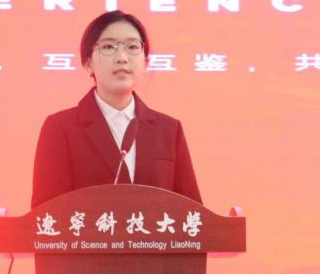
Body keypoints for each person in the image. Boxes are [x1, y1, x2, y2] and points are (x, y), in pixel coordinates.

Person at [31, 10, 201, 208]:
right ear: (88, 63)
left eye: (132, 47)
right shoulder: (60, 128)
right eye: (108, 47)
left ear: (145, 62)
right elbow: (46, 213)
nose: (122, 57)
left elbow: (193, 212)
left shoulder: (169, 130)